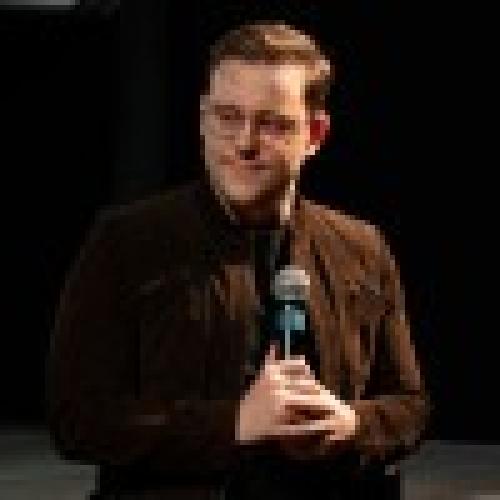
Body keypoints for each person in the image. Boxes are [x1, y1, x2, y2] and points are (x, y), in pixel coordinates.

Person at [46, 21, 430, 499]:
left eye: (271, 124)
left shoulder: (361, 247)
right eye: (227, 117)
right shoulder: (126, 242)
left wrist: (352, 424)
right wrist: (234, 423)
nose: (244, 143)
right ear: (202, 118)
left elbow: (410, 405)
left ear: (315, 134)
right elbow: (77, 419)